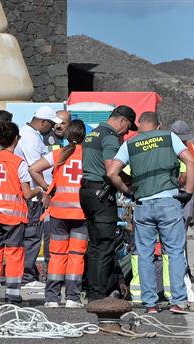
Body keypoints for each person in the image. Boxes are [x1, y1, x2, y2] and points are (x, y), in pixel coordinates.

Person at [106, 111, 194, 314]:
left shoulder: (130, 143)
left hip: (143, 205)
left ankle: (150, 304)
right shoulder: (168, 137)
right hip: (168, 203)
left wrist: (127, 190)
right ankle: (179, 301)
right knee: (174, 251)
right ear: (158, 125)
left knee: (144, 254)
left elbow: (112, 172)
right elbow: (190, 161)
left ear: (139, 125)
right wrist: (188, 192)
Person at [80, 105, 137, 301]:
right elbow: (111, 170)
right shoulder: (110, 136)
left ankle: (92, 289)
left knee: (95, 244)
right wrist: (127, 189)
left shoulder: (93, 133)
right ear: (122, 120)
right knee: (105, 245)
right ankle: (98, 294)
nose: (127, 133)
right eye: (128, 127)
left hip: (86, 192)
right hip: (101, 194)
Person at [28, 119, 88, 308]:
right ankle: (72, 297)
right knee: (76, 255)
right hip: (81, 213)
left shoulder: (59, 154)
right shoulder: (89, 154)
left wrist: (47, 188)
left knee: (56, 254)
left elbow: (33, 169)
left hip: (59, 211)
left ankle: (52, 298)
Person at [0, 121, 39, 306]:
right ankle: (13, 295)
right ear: (16, 139)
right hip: (12, 218)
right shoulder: (18, 163)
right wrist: (42, 190)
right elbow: (27, 193)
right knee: (14, 254)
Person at [15, 106, 62, 289]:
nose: (52, 128)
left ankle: (28, 273)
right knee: (32, 236)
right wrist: (46, 190)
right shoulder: (31, 139)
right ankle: (26, 277)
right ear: (42, 121)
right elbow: (34, 169)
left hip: (35, 194)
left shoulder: (30, 135)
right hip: (34, 196)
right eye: (50, 124)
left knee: (32, 236)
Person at [170, 119, 194, 283]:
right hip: (172, 193)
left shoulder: (191, 147)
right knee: (173, 234)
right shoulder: (167, 146)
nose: (183, 141)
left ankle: (185, 270)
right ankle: (178, 271)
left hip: (186, 193)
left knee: (182, 232)